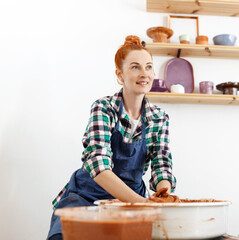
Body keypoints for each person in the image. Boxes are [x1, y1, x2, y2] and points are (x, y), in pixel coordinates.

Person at [47, 35, 176, 240]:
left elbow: (161, 162)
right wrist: (142, 204)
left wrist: (164, 194)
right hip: (88, 197)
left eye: (149, 67)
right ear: (120, 74)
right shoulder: (104, 108)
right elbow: (98, 166)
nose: (144, 74)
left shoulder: (159, 117)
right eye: (135, 67)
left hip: (131, 202)